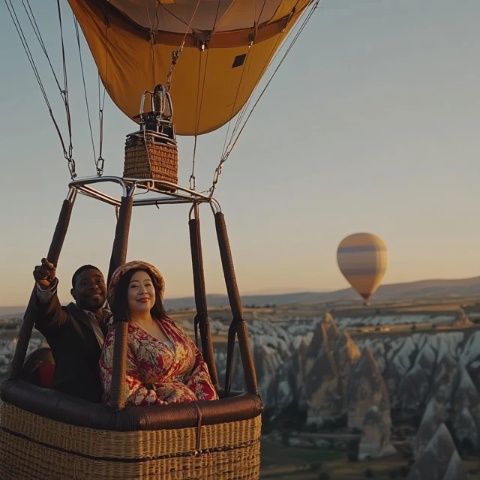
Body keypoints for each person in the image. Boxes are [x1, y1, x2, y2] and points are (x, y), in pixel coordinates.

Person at [100, 260, 218, 406]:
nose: (143, 291)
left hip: (198, 411)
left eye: (148, 284)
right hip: (159, 419)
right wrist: (167, 407)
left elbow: (197, 362)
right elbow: (123, 390)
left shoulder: (169, 325)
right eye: (134, 286)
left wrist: (204, 399)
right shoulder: (119, 337)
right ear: (122, 295)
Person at [32, 258, 111, 402]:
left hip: (116, 404)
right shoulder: (66, 319)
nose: (94, 286)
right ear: (73, 293)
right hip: (79, 406)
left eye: (99, 281)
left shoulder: (115, 320)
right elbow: (49, 315)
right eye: (84, 283)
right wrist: (45, 286)